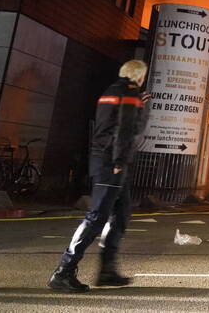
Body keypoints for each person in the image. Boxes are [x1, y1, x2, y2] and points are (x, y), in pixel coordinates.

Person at [48, 59, 152, 293]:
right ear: (139, 76)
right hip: (111, 162)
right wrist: (117, 161)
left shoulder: (112, 91)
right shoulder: (130, 93)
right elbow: (126, 129)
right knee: (97, 217)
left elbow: (111, 124)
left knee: (121, 213)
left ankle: (107, 271)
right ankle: (63, 271)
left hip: (107, 158)